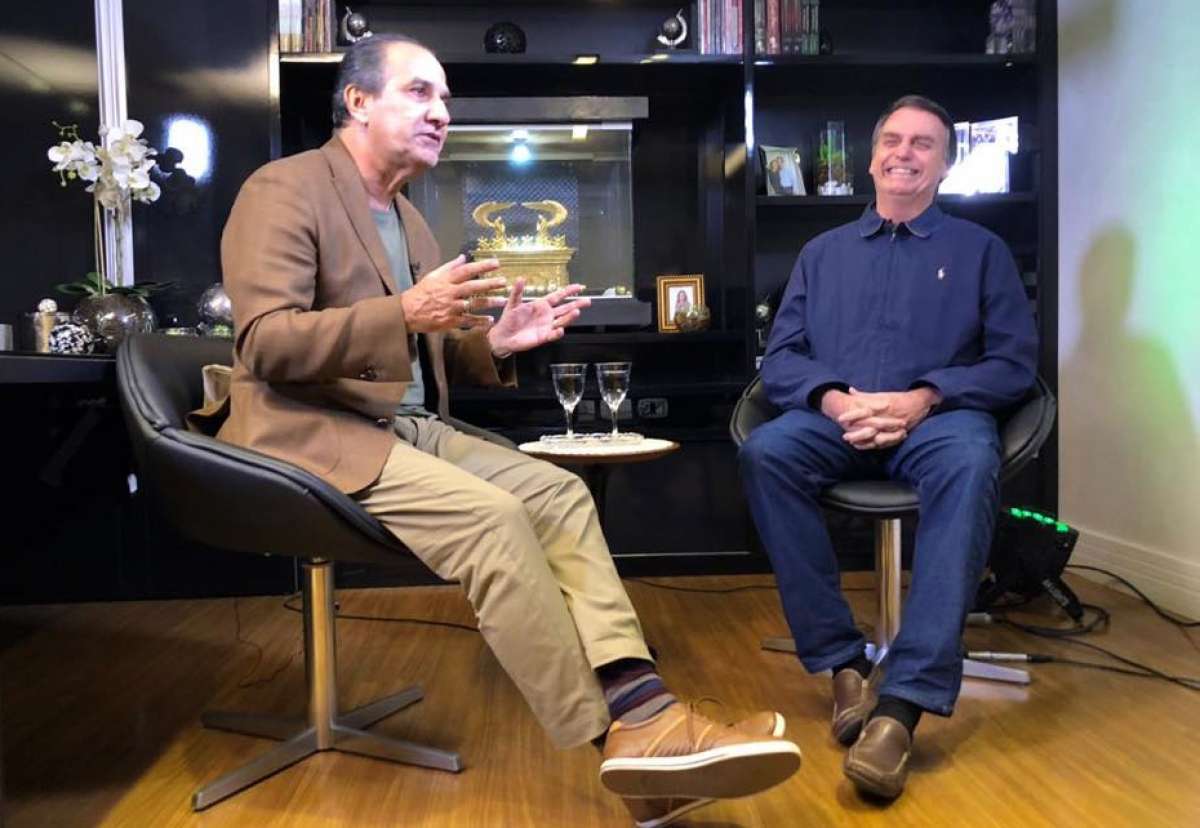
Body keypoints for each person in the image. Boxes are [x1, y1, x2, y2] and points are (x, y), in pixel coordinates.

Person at [214, 34, 801, 825]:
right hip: (310, 429)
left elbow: (417, 352)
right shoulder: (282, 189)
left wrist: (492, 343)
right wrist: (404, 311)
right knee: (496, 521)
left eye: (446, 99)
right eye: (419, 92)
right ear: (357, 101)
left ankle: (646, 712)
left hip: (406, 426)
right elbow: (264, 343)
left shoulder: (409, 220)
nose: (441, 113)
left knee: (559, 495)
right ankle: (625, 742)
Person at [738, 94, 1037, 799]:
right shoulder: (822, 254)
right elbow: (782, 359)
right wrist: (837, 400)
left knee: (971, 461)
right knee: (767, 453)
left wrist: (923, 397)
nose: (904, 153)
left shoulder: (982, 252)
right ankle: (844, 664)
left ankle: (901, 706)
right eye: (892, 141)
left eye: (923, 144)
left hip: (939, 422)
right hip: (837, 419)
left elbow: (1014, 363)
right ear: (872, 159)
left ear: (945, 165)